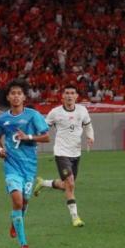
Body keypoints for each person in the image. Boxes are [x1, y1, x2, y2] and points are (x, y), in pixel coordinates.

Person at [0, 79, 50, 248]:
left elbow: (46, 137)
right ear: (8, 97)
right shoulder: (2, 119)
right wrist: (0, 149)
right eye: (13, 93)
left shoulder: (33, 115)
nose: (16, 96)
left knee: (24, 201)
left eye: (19, 93)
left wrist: (28, 137)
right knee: (17, 201)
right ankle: (23, 244)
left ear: (24, 97)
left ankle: (15, 220)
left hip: (29, 166)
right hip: (11, 165)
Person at [33, 85, 94, 227]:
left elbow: (88, 125)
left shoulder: (82, 110)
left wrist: (90, 137)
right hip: (61, 152)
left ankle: (44, 183)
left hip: (76, 152)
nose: (69, 95)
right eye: (67, 93)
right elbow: (44, 128)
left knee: (66, 185)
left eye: (72, 93)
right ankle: (75, 217)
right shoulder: (55, 112)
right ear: (62, 96)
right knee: (70, 184)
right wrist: (33, 138)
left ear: (76, 96)